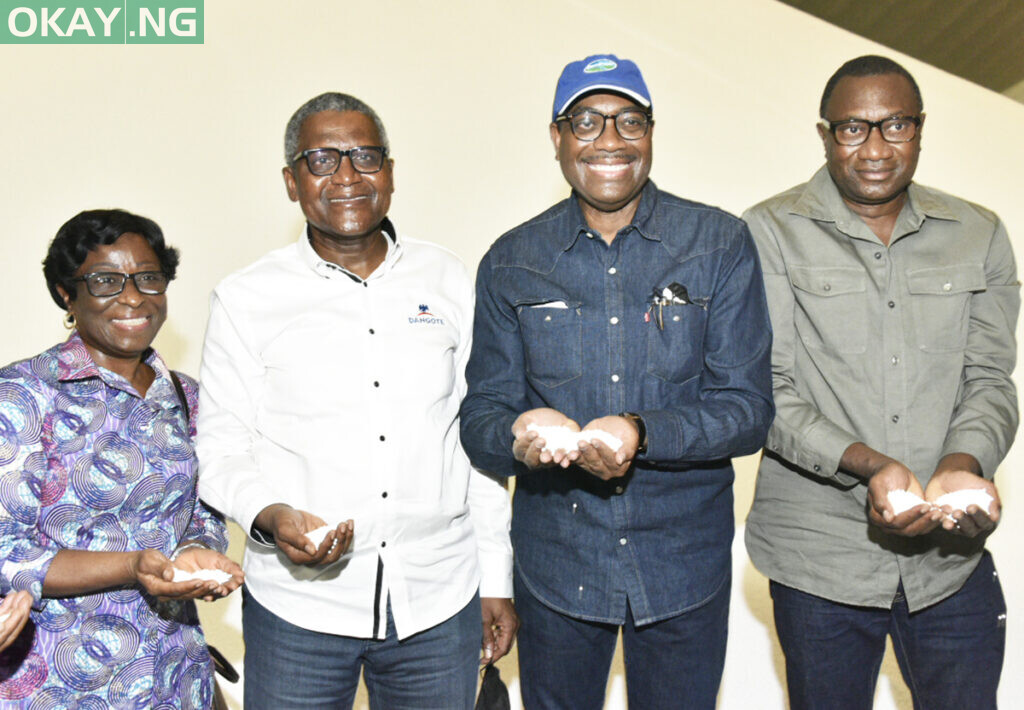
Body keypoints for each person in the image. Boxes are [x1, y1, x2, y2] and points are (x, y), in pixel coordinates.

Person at [459, 54, 774, 709]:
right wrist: (519, 434)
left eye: (629, 121)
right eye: (586, 122)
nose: (609, 139)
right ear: (556, 138)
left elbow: (747, 410)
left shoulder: (718, 244)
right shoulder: (512, 260)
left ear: (651, 133)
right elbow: (481, 417)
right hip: (558, 562)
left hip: (683, 562)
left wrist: (641, 431)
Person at [196, 92, 516, 709]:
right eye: (322, 160)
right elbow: (221, 447)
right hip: (299, 607)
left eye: (365, 157)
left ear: (390, 172)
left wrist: (495, 577)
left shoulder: (448, 279)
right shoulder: (246, 298)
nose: (346, 176)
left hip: (439, 600)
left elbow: (475, 438)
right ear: (291, 182)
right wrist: (270, 515)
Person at [744, 55, 1017, 710]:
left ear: (919, 129)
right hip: (819, 559)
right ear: (825, 135)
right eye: (853, 128)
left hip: (951, 562)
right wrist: (872, 467)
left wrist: (960, 465)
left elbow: (991, 378)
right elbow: (766, 389)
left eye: (895, 125)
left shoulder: (978, 233)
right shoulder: (766, 231)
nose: (875, 149)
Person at [0, 209, 243, 708]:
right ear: (67, 294)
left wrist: (196, 549)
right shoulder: (24, 395)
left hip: (173, 673)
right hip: (61, 682)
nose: (133, 297)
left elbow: (203, 511)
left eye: (148, 277)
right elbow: (6, 553)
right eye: (105, 281)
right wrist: (132, 565)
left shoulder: (186, 396)